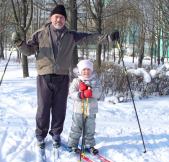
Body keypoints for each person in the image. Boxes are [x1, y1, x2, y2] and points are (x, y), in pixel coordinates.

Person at [11, 4, 119, 149]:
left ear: (64, 20)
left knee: (59, 109)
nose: (59, 20)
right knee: (43, 109)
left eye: (61, 18)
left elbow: (89, 38)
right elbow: (29, 50)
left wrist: (108, 38)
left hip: (62, 77)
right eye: (56, 17)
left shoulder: (71, 35)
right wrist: (19, 43)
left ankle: (56, 134)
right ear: (51, 18)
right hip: (44, 77)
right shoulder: (40, 34)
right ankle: (40, 136)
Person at [68, 59, 101, 154]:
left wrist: (91, 92)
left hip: (92, 110)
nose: (86, 72)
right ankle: (73, 145)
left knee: (90, 128)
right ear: (79, 71)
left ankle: (89, 145)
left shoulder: (96, 81)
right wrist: (80, 95)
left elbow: (98, 93)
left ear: (92, 70)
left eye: (88, 69)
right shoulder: (76, 81)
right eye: (84, 70)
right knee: (76, 128)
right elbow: (72, 93)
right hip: (79, 110)